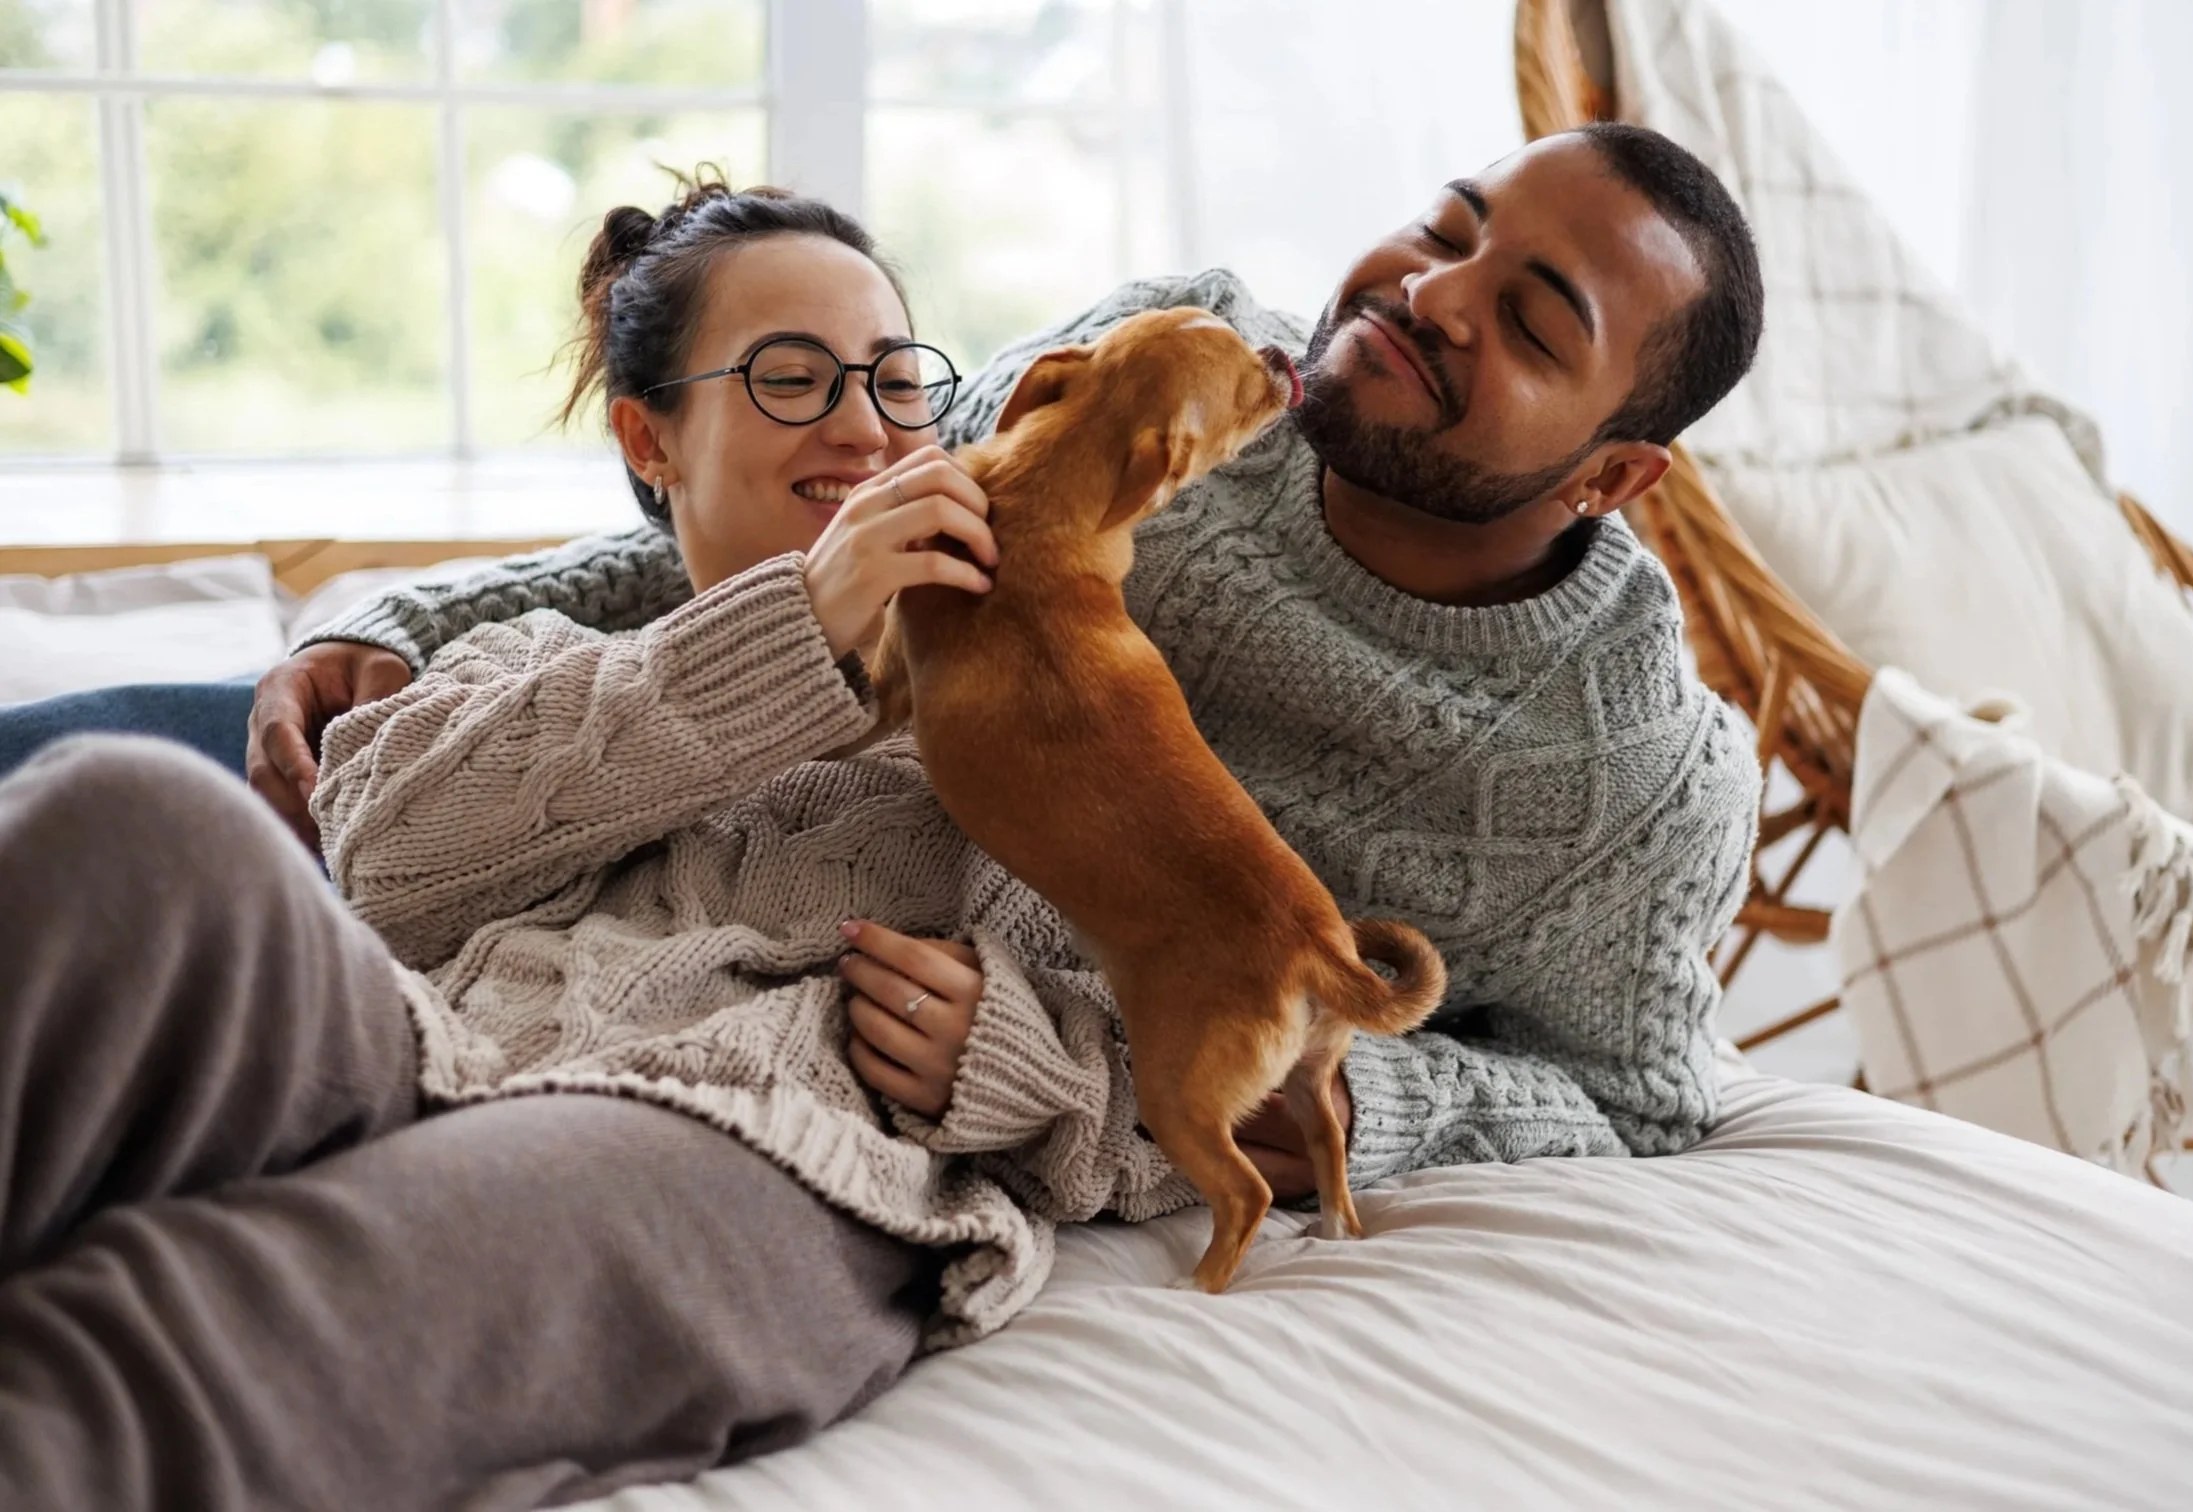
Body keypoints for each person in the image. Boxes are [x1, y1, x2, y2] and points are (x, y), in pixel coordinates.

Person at [0, 119, 1766, 1506]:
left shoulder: (1632, 777)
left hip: (805, 1097)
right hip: (529, 924)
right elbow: (809, 529)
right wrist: (391, 623)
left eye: (1532, 316)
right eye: (1450, 224)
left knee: (253, 1306)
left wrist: (1135, 1069)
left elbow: (1634, 1092)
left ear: (1614, 471)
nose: (1433, 292)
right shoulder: (1166, 361)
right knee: (119, 813)